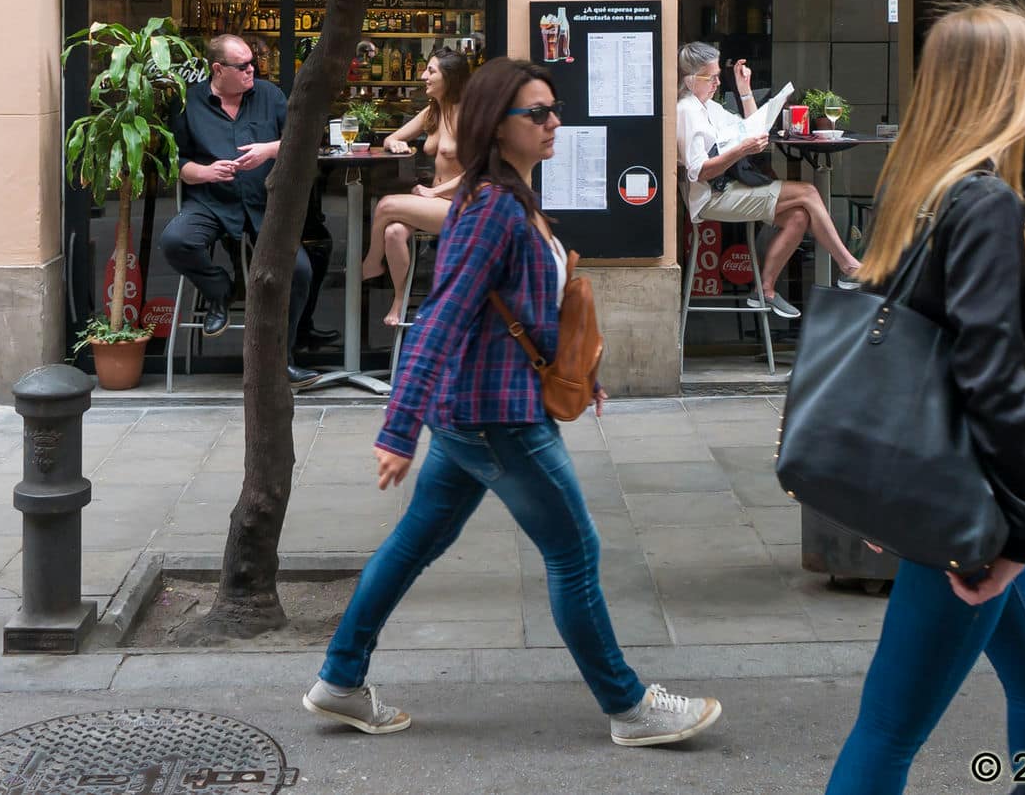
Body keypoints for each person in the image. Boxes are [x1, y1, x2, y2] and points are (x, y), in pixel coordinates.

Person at [304, 58, 722, 749]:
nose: (554, 122)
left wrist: (577, 371)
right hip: (498, 417)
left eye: (554, 109)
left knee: (413, 544)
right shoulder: (493, 209)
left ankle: (339, 681)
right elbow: (441, 317)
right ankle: (629, 708)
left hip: (475, 410)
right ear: (497, 125)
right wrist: (397, 431)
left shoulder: (508, 198)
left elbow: (520, 306)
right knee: (574, 551)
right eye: (538, 113)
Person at [824, 0, 1025, 795]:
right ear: (1002, 86)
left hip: (952, 496)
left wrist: (882, 495)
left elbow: (894, 361)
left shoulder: (924, 192)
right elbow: (991, 377)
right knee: (890, 731)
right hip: (972, 509)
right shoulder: (986, 204)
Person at [158, 31, 320, 389]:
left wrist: (268, 150)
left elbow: (301, 140)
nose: (252, 70)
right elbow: (174, 162)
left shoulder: (269, 95)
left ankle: (281, 361)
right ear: (218, 69)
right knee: (175, 241)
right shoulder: (189, 103)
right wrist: (204, 172)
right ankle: (220, 290)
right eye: (243, 65)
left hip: (266, 204)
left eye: (252, 63)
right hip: (212, 202)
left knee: (299, 271)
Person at [676, 41, 861, 318]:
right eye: (711, 78)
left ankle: (765, 290)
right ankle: (849, 267)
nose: (717, 83)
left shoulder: (708, 107)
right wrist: (742, 150)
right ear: (691, 80)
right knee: (808, 192)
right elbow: (700, 171)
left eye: (718, 76)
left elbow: (752, 128)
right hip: (711, 197)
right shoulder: (687, 111)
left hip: (728, 188)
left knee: (798, 217)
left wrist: (744, 90)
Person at [360, 48, 471, 323]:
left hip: (461, 205)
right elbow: (391, 139)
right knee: (394, 232)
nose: (423, 76)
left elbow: (479, 171)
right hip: (434, 203)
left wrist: (434, 191)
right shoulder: (432, 112)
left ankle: (371, 264)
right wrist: (396, 144)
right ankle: (399, 301)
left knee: (386, 205)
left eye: (431, 71)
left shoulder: (469, 115)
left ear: (451, 78)